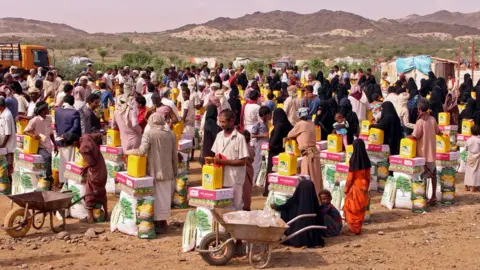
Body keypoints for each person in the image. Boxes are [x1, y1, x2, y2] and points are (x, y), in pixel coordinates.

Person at [126, 113, 178, 233]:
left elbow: (142, 151)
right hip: (167, 171)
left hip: (154, 171)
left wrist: (128, 152)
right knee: (164, 199)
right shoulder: (171, 134)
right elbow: (174, 155)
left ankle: (155, 223)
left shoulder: (148, 134)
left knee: (155, 197)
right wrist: (175, 171)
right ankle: (162, 223)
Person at [64, 133, 108, 223]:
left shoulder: (83, 149)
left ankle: (90, 218)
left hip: (95, 172)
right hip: (103, 168)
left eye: (73, 145)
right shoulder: (86, 136)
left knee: (89, 194)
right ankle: (106, 215)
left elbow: (91, 162)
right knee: (101, 192)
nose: (74, 147)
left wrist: (85, 167)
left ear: (75, 142)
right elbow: (98, 135)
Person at [211, 109, 250, 210]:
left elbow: (243, 161)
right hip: (220, 177)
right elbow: (216, 154)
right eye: (220, 121)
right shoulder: (219, 136)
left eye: (223, 122)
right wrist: (214, 160)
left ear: (231, 121)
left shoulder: (239, 138)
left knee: (236, 205)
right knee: (222, 206)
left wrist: (224, 162)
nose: (221, 124)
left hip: (234, 178)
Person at [271, 180, 325, 248]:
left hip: (295, 237)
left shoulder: (294, 201)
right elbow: (320, 221)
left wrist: (278, 207)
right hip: (312, 239)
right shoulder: (314, 203)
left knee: (285, 212)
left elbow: (285, 208)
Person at [409, 98, 441, 205]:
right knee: (433, 175)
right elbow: (438, 132)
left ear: (419, 108)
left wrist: (406, 138)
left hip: (422, 153)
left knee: (423, 176)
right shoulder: (432, 119)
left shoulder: (420, 122)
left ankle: (425, 197)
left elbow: (415, 136)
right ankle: (433, 196)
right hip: (432, 152)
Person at [286, 108, 322, 194]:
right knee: (316, 177)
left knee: (307, 177)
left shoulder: (300, 124)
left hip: (308, 154)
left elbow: (290, 134)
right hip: (314, 151)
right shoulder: (311, 123)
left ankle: (309, 198)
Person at [23, 101, 57, 185]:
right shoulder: (34, 120)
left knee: (49, 159)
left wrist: (55, 145)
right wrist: (33, 136)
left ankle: (46, 179)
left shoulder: (49, 119)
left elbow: (51, 133)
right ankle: (48, 176)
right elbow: (25, 131)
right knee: (47, 157)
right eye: (46, 108)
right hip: (39, 146)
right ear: (42, 110)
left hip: (48, 145)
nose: (48, 109)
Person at [343, 139, 371, 235]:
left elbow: (350, 178)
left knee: (352, 208)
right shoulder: (367, 160)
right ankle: (358, 228)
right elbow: (368, 177)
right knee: (360, 208)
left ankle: (354, 229)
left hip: (355, 187)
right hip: (364, 187)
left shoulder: (354, 160)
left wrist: (346, 189)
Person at [264, 109, 293, 196]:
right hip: (285, 151)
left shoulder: (279, 126)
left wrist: (270, 146)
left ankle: (269, 190)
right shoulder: (288, 124)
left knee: (272, 170)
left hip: (275, 152)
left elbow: (274, 141)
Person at [54, 95, 81, 185]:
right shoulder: (74, 113)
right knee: (71, 161)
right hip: (70, 140)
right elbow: (76, 127)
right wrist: (66, 135)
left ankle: (62, 181)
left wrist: (60, 136)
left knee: (62, 162)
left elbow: (56, 125)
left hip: (60, 140)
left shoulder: (57, 111)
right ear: (72, 102)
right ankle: (68, 182)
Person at [112, 94, 142, 163]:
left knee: (126, 161)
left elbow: (113, 126)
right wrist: (140, 130)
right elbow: (135, 125)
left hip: (124, 140)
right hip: (135, 139)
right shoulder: (131, 112)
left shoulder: (116, 112)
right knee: (134, 162)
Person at [251, 106, 271, 184]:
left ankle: (262, 181)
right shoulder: (258, 124)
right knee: (258, 162)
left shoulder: (268, 123)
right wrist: (263, 136)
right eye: (269, 114)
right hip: (260, 145)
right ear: (264, 115)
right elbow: (252, 135)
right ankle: (254, 180)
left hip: (266, 144)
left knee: (265, 163)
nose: (270, 116)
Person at [0, 97, 16, 184]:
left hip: (7, 144)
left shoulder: (7, 115)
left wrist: (2, 145)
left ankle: (10, 183)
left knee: (9, 164)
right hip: (3, 143)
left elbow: (8, 133)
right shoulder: (2, 113)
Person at [241, 130, 255, 211]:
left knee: (244, 190)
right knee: (247, 190)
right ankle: (247, 205)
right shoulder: (250, 148)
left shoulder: (242, 147)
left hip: (243, 169)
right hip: (249, 169)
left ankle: (245, 206)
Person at [465, 125, 480, 191]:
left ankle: (466, 185)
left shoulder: (468, 140)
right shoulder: (478, 140)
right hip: (477, 157)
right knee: (476, 171)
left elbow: (465, 149)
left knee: (468, 171)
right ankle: (474, 186)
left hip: (470, 157)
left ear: (471, 132)